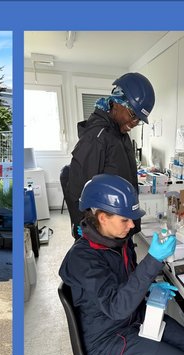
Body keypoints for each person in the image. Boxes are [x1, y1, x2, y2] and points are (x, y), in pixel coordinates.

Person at [59, 174, 184, 355]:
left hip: (133, 317)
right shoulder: (83, 259)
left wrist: (149, 287)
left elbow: (125, 280)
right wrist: (154, 260)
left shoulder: (118, 241)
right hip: (108, 338)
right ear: (102, 217)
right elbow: (116, 307)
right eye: (125, 220)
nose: (131, 226)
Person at [64, 72, 154, 239]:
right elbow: (78, 191)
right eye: (133, 115)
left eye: (139, 119)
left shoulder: (120, 135)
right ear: (117, 103)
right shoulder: (97, 137)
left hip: (120, 226)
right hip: (105, 234)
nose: (134, 123)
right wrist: (87, 232)